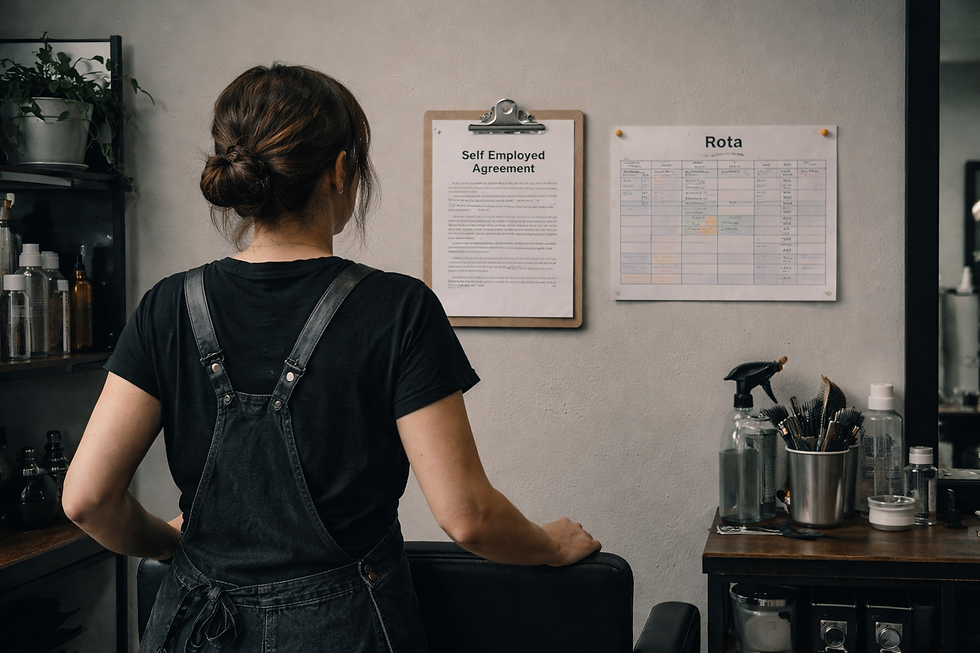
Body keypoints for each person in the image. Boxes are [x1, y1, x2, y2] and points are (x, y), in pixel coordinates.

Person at [62, 64, 600, 653]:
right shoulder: (398, 308)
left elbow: (86, 498)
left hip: (195, 627)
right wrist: (548, 545)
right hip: (346, 630)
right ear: (341, 171)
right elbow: (467, 514)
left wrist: (175, 545)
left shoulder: (166, 305)